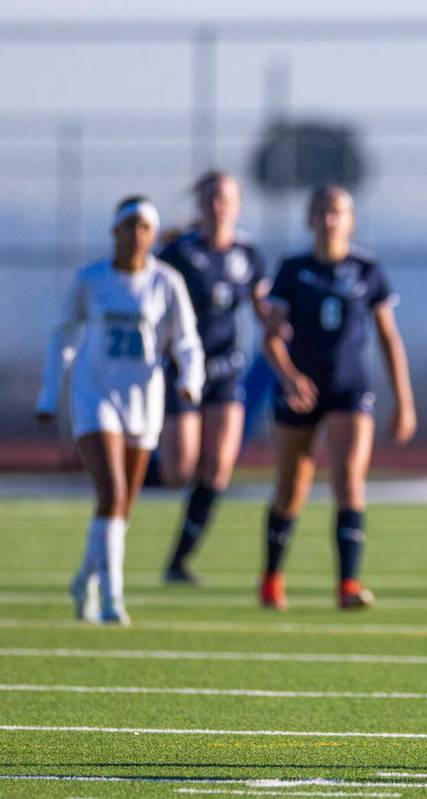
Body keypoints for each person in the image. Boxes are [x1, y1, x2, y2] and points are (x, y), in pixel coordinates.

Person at [35, 196, 204, 624]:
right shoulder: (91, 280)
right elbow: (63, 336)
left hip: (143, 400)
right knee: (111, 493)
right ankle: (112, 600)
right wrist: (49, 394)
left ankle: (84, 579)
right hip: (96, 397)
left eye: (145, 227)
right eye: (129, 226)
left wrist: (190, 379)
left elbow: (186, 339)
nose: (137, 235)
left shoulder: (166, 282)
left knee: (123, 504)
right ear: (115, 231)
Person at [259, 185, 416, 610]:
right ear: (310, 219)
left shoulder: (366, 268)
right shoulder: (292, 269)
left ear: (350, 219)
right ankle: (272, 577)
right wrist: (289, 377)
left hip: (350, 387)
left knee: (349, 480)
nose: (330, 219)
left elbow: (388, 337)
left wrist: (404, 400)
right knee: (291, 487)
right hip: (300, 390)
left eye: (338, 212)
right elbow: (270, 338)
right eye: (322, 212)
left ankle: (348, 584)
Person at [159, 171, 271, 583]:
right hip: (184, 369)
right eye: (210, 198)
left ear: (237, 204)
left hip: (225, 370)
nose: (217, 205)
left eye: (224, 198)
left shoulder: (249, 255)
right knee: (178, 472)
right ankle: (133, 469)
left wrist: (283, 330)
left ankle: (179, 562)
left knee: (218, 470)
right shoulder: (178, 253)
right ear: (200, 204)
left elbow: (263, 309)